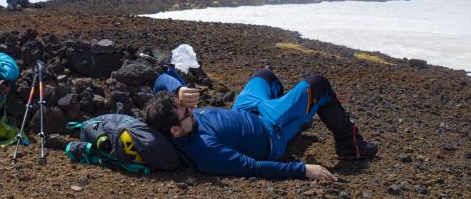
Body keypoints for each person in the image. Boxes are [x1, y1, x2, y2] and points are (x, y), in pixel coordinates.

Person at [143, 67, 378, 180]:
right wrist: (303, 170)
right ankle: (351, 146)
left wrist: (179, 90)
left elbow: (160, 80)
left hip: (244, 109)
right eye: (187, 110)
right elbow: (252, 166)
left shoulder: (168, 119)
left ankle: (297, 114)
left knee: (265, 76)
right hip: (271, 128)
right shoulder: (207, 151)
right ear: (175, 130)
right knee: (318, 84)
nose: (192, 107)